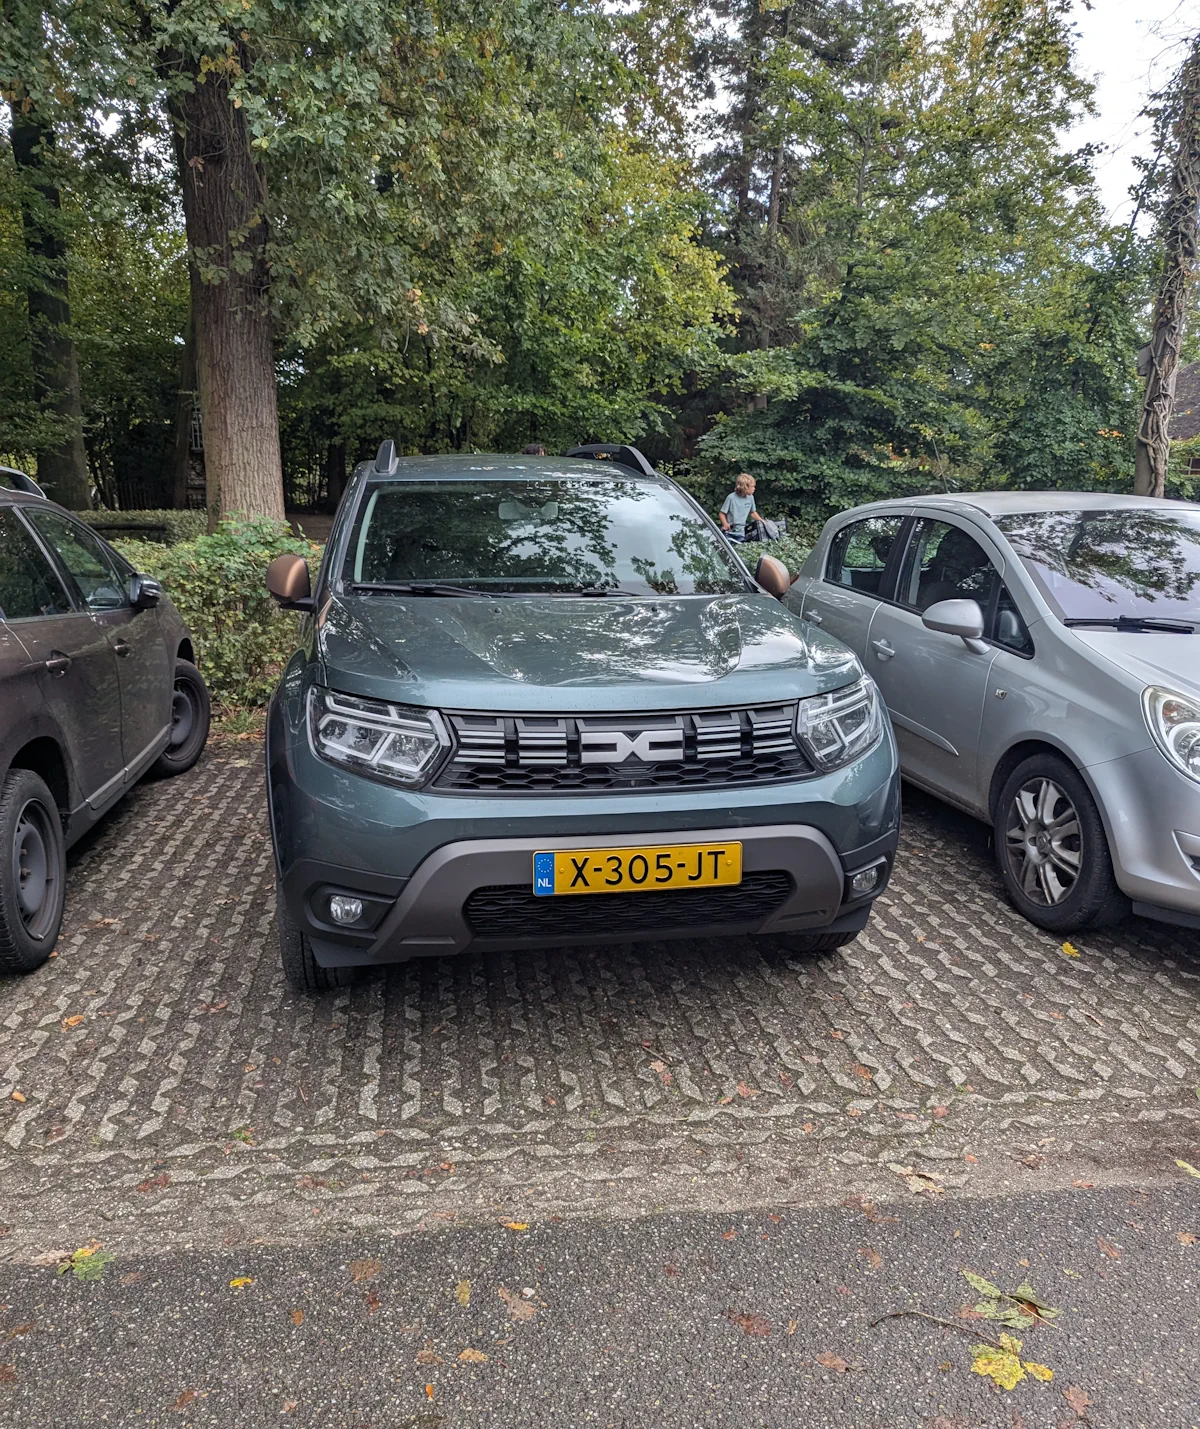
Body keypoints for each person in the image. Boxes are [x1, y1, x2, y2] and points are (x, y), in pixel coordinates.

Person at [718, 472, 762, 542]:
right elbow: (721, 514)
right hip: (730, 532)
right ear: (745, 487)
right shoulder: (731, 498)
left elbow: (753, 513)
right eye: (752, 486)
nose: (754, 488)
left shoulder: (751, 498)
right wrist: (725, 524)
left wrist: (762, 521)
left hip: (742, 532)